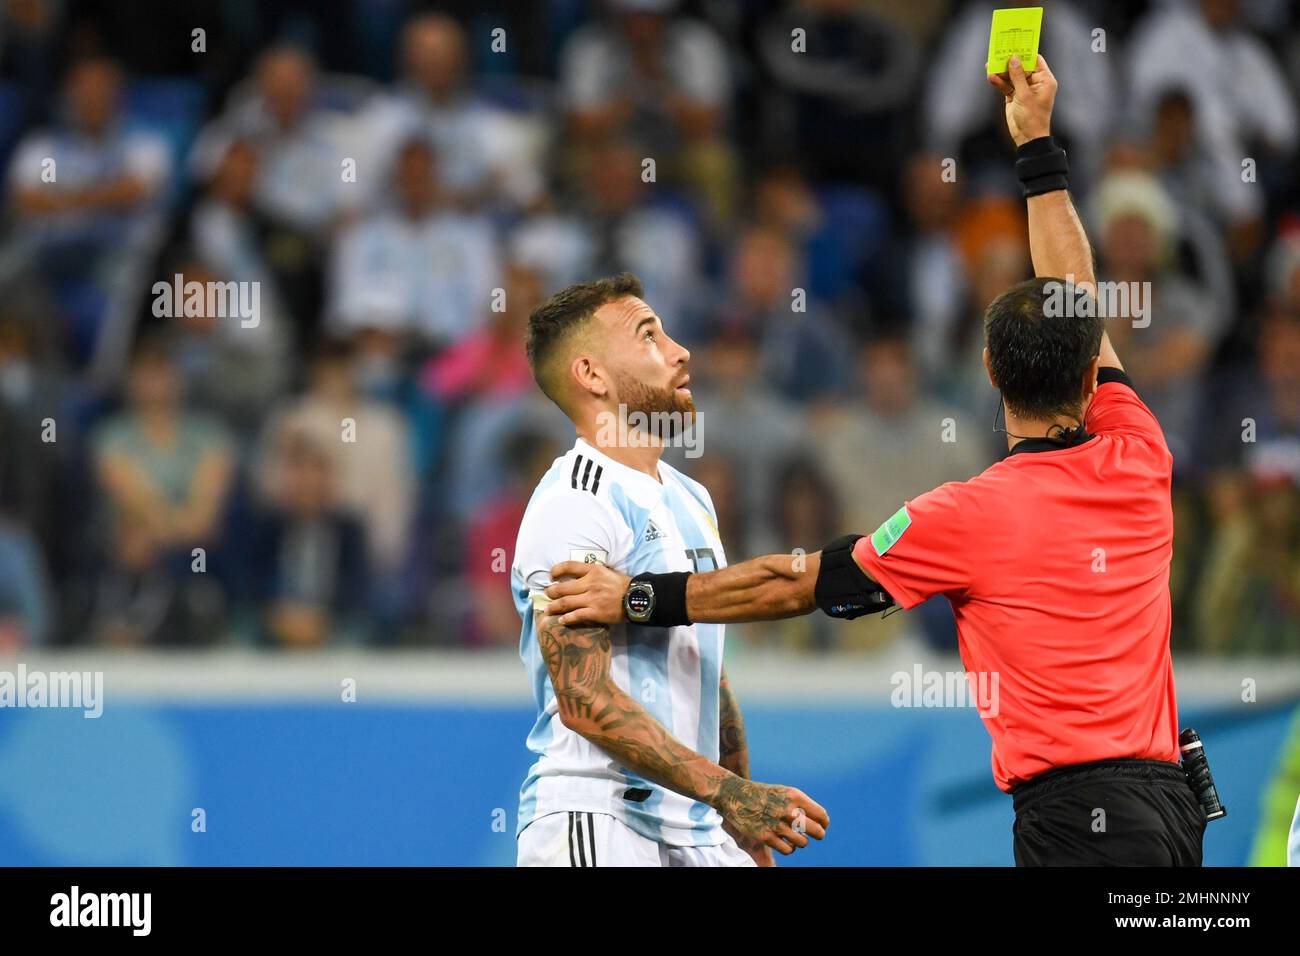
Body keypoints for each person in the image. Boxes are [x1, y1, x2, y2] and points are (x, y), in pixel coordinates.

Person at [542, 57, 1207, 867]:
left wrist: (638, 596)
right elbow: (1073, 288)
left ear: (990, 375)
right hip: (1174, 807)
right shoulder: (1139, 451)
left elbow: (793, 582)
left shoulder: (968, 516)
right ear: (1088, 376)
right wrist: (1036, 144)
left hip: (1076, 819)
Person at [512, 273, 828, 866]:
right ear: (592, 375)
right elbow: (584, 699)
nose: (680, 351)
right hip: (598, 818)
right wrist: (732, 795)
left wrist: (740, 823)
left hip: (697, 825)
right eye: (649, 335)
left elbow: (708, 669)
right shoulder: (574, 502)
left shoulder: (691, 498)